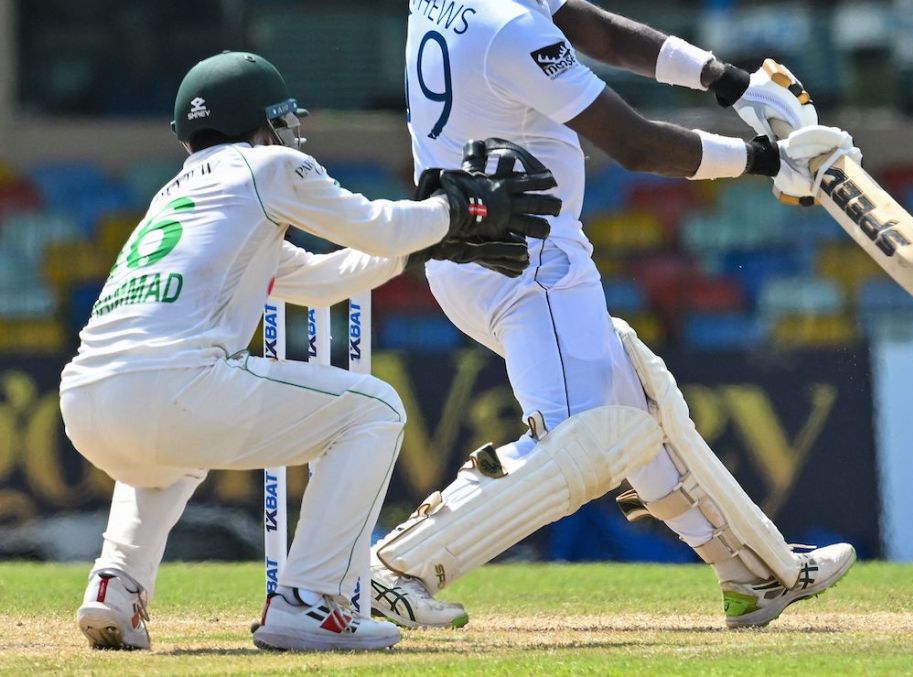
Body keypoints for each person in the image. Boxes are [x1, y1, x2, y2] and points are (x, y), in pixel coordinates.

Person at [368, 0, 860, 630]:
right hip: (530, 262)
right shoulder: (508, 25)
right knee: (587, 441)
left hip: (472, 246)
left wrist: (727, 81)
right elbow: (632, 143)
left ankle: (758, 572)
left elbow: (587, 25)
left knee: (641, 396)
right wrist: (763, 160)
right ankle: (395, 568)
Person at [59, 51, 560, 652]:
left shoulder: (174, 197)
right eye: (283, 118)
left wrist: (430, 243)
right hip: (172, 385)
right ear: (259, 120)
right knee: (374, 411)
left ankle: (117, 586)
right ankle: (309, 600)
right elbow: (376, 226)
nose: (293, 129)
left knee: (170, 450)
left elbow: (320, 280)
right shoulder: (268, 167)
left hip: (86, 400)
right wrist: (461, 210)